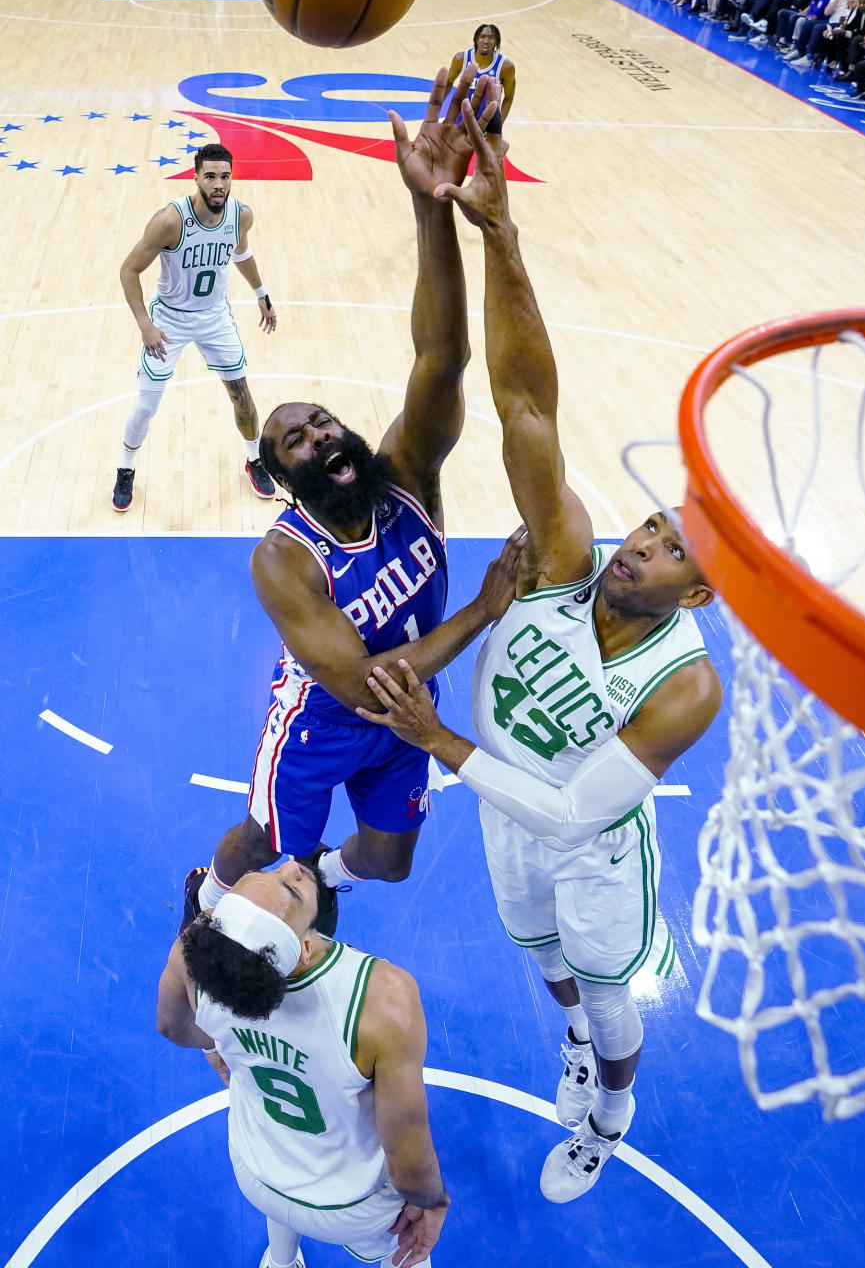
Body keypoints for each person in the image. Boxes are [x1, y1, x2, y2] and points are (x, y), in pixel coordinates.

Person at [358, 103, 722, 1204]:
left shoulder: (685, 687)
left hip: (589, 846)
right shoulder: (568, 556)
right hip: (501, 806)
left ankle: (610, 1106)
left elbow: (573, 815)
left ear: (699, 591)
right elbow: (524, 403)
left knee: (607, 994)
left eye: (667, 553)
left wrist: (437, 738)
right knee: (542, 961)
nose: (641, 547)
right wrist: (497, 232)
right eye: (650, 526)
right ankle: (571, 1041)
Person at [177, 68, 523, 935]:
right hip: (324, 721)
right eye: (296, 441)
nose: (320, 436)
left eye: (323, 423)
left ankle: (327, 873)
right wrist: (485, 605)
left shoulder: (405, 476)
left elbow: (441, 360)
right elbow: (367, 681)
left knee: (391, 863)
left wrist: (431, 207)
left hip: (410, 709)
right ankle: (209, 898)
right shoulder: (283, 556)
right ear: (286, 479)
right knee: (264, 843)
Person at [158, 859, 447, 1268]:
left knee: (281, 1180)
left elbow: (172, 1027)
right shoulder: (380, 997)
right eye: (290, 889)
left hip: (257, 1172)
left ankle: (280, 1261)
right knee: (407, 1241)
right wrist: (433, 1204)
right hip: (351, 1209)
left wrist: (215, 1045)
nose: (292, 865)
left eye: (269, 871)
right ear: (306, 947)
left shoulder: (197, 958)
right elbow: (409, 1161)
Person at [113, 143, 277, 512]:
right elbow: (128, 270)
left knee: (242, 396)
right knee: (146, 406)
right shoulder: (170, 221)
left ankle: (254, 460)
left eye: (225, 176)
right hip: (168, 320)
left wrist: (261, 293)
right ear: (196, 177)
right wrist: (145, 326)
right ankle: (126, 468)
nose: (219, 184)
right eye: (210, 176)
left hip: (215, 318)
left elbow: (241, 252)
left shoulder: (240, 216)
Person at [444, 24, 516, 133]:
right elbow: (448, 83)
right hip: (459, 121)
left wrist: (497, 126)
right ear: (476, 39)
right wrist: (437, 107)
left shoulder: (505, 66)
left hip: (485, 125)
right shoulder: (461, 59)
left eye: (491, 37)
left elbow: (509, 97)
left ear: (496, 41)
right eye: (482, 36)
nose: (486, 41)